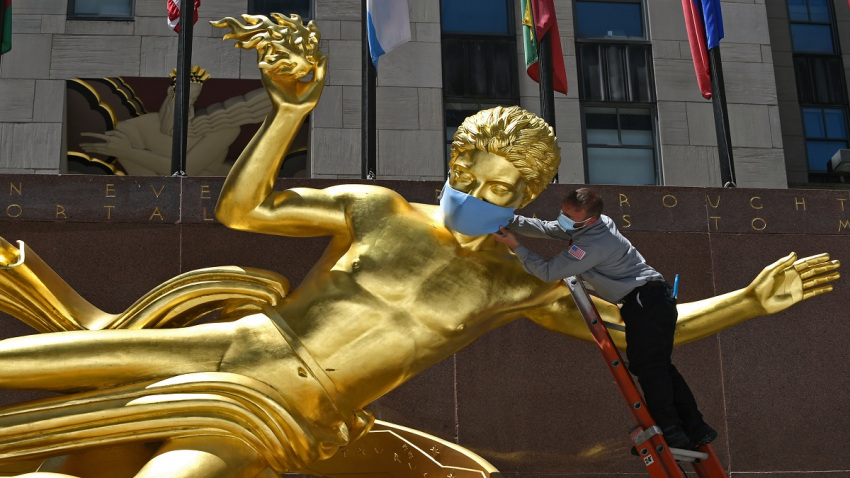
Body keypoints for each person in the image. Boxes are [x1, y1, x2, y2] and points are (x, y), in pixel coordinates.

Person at [0, 13, 839, 478]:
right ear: (456, 160)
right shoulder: (376, 209)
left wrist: (748, 302)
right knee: (18, 366)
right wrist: (289, 109)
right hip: (230, 344)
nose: (491, 194)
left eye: (512, 190)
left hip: (284, 414)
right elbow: (245, 210)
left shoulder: (521, 279)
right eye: (481, 173)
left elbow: (635, 334)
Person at [492, 188, 713, 449]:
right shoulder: (592, 225)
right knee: (657, 366)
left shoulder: (592, 244)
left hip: (646, 301)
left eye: (571, 217)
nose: (564, 219)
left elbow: (549, 271)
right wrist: (509, 219)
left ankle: (671, 430)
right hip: (650, 300)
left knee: (650, 367)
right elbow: (551, 229)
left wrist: (515, 245)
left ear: (591, 219)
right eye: (563, 213)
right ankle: (695, 428)